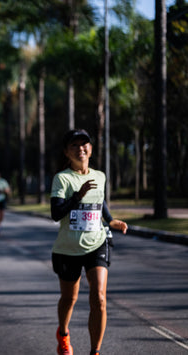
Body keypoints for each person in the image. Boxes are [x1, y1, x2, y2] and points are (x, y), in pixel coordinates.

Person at [50, 129, 128, 355]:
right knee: (69, 298)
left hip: (97, 243)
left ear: (91, 149)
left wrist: (111, 221)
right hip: (68, 248)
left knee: (100, 297)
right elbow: (56, 214)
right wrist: (77, 195)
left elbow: (100, 203)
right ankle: (63, 334)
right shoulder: (62, 178)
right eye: (74, 145)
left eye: (84, 144)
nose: (80, 149)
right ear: (67, 152)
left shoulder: (100, 176)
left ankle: (95, 351)